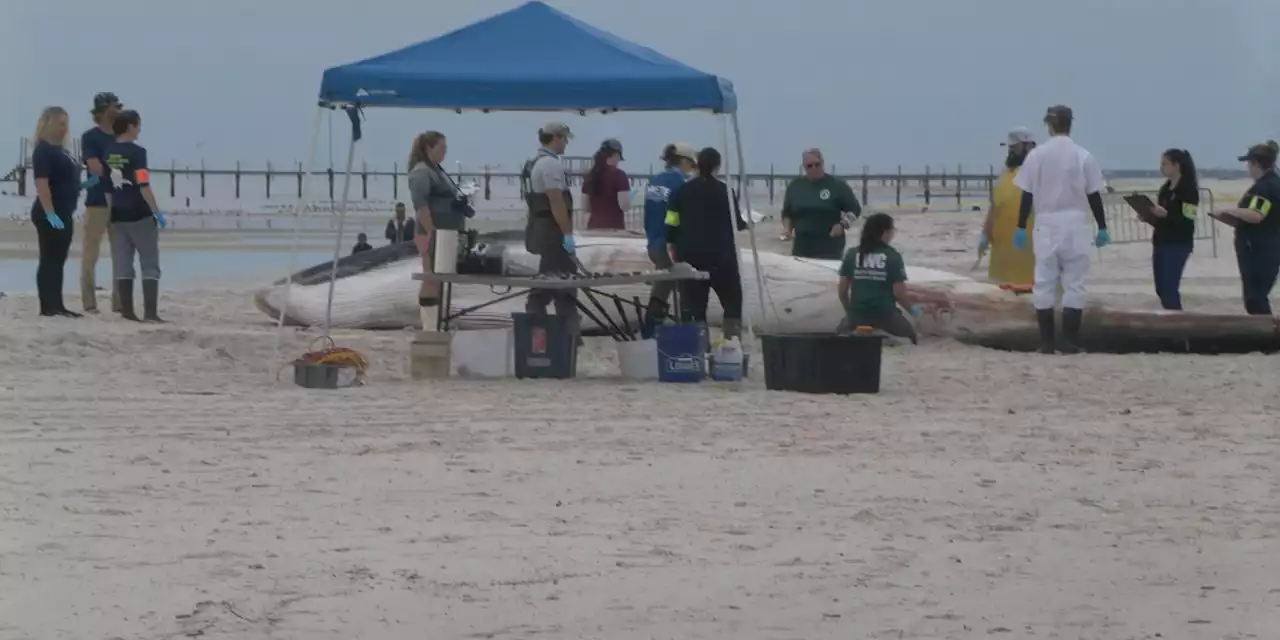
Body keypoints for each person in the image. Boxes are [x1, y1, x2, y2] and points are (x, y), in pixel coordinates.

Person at [1012, 105, 1109, 354]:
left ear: (1049, 125)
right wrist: (1102, 226)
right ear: (1070, 124)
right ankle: (1068, 340)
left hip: (1046, 222)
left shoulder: (1037, 156)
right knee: (1074, 283)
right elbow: (1094, 194)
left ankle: (1046, 342)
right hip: (1075, 222)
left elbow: (1027, 195)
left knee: (1044, 281)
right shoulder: (1083, 155)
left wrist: (1021, 225)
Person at [663, 147, 747, 339]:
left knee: (694, 307)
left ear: (697, 165)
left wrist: (670, 239)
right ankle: (732, 342)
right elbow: (737, 223)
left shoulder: (681, 191)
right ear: (718, 166)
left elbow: (671, 221)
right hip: (722, 258)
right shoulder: (726, 191)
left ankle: (698, 348)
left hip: (691, 257)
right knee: (732, 302)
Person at [105, 109, 166, 323]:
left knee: (123, 261)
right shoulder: (138, 152)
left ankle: (128, 311)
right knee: (149, 262)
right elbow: (143, 183)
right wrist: (156, 211)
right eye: (138, 125)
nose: (139, 129)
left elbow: (107, 188)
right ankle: (150, 312)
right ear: (130, 126)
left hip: (118, 214)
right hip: (139, 213)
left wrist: (109, 212)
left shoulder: (108, 151)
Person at [407, 131, 471, 320]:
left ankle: (436, 318)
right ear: (429, 148)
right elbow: (421, 206)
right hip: (432, 232)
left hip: (446, 233)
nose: (445, 152)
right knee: (431, 278)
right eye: (441, 147)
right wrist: (431, 231)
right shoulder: (421, 172)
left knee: (439, 278)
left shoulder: (436, 170)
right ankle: (429, 323)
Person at [1211, 141, 1280, 315]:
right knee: (1256, 297)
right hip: (1268, 246)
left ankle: (1266, 338)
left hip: (1258, 249)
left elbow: (1256, 214)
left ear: (1256, 163)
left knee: (1255, 299)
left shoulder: (1264, 187)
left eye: (1249, 164)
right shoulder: (1274, 183)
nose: (1248, 168)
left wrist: (1228, 211)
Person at [639, 142, 698, 337]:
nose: (691, 169)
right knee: (682, 290)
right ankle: (661, 331)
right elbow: (678, 217)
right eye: (690, 164)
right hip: (671, 245)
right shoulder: (681, 184)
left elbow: (650, 213)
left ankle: (651, 330)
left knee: (662, 287)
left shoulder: (654, 181)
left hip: (653, 243)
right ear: (683, 161)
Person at [520, 121, 577, 322]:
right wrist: (568, 234)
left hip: (539, 228)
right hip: (552, 233)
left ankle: (554, 327)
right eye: (564, 139)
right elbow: (556, 201)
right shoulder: (550, 165)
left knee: (551, 279)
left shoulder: (533, 162)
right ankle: (556, 329)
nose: (566, 144)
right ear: (556, 138)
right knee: (562, 281)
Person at [30, 106, 84, 318]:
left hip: (65, 210)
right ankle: (47, 307)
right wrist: (51, 214)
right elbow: (42, 185)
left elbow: (67, 182)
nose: (64, 129)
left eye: (66, 124)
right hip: (49, 212)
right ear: (48, 124)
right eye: (60, 124)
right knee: (49, 259)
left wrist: (86, 185)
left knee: (59, 259)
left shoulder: (63, 150)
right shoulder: (43, 150)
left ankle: (57, 304)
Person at [837, 213, 920, 344]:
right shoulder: (893, 256)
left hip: (857, 314)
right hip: (885, 315)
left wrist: (850, 311)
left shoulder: (852, 254)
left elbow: (842, 290)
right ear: (885, 232)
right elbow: (899, 293)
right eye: (892, 230)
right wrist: (913, 310)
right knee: (911, 338)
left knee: (840, 335)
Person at [79, 92, 123, 314]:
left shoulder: (121, 135)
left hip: (121, 201)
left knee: (121, 254)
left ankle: (120, 303)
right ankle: (89, 303)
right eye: (116, 106)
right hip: (97, 200)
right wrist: (115, 169)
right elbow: (94, 167)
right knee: (90, 253)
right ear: (105, 110)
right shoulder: (90, 137)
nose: (119, 110)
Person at [979, 127, 1038, 285]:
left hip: (1029, 251)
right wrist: (985, 234)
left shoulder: (1039, 172)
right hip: (1002, 253)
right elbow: (994, 207)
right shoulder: (1003, 174)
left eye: (1015, 147)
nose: (1011, 151)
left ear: (1028, 146)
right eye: (1009, 148)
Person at [780, 148, 860, 258]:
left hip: (830, 249)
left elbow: (855, 210)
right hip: (801, 248)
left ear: (822, 163)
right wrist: (787, 229)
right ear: (804, 167)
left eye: (817, 164)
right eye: (809, 166)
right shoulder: (795, 186)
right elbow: (787, 213)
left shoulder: (837, 185)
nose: (814, 168)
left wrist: (843, 225)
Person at [1146, 149, 1200, 310]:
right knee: (1161, 289)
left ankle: (1179, 329)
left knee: (1170, 289)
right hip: (1161, 241)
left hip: (1178, 243)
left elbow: (1188, 219)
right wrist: (1148, 216)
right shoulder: (1165, 189)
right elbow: (1160, 218)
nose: (1161, 168)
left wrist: (1166, 215)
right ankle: (1172, 323)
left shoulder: (1188, 190)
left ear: (1176, 165)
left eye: (1165, 164)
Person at [581, 138, 630, 230]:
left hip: (593, 227)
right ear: (615, 155)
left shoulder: (590, 175)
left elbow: (585, 207)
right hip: (614, 227)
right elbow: (624, 205)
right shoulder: (619, 175)